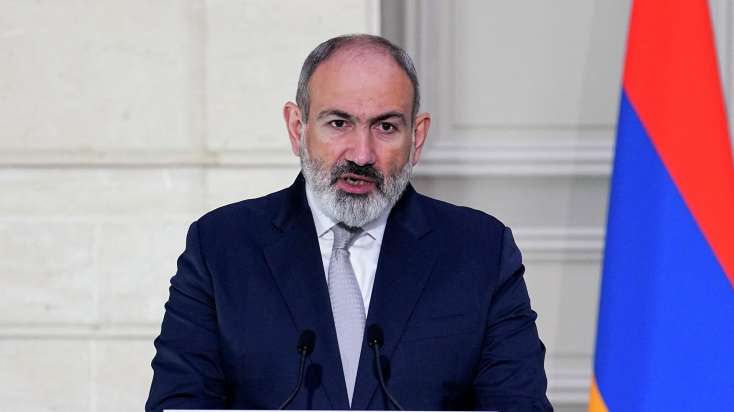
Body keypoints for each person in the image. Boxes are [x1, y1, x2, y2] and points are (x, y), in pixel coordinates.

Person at [146, 34, 552, 412]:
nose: (361, 154)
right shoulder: (221, 247)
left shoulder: (480, 250)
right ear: (297, 128)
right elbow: (180, 404)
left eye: (386, 127)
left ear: (417, 137)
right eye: (338, 123)